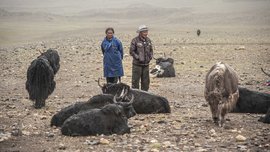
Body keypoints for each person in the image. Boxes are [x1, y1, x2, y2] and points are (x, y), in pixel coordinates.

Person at [130, 25, 153, 91]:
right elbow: (131, 51)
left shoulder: (148, 40)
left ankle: (145, 95)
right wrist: (138, 58)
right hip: (137, 65)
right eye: (144, 32)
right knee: (135, 81)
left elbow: (151, 50)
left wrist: (150, 57)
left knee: (146, 82)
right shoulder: (135, 40)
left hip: (146, 65)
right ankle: (135, 96)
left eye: (146, 32)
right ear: (140, 32)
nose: (146, 33)